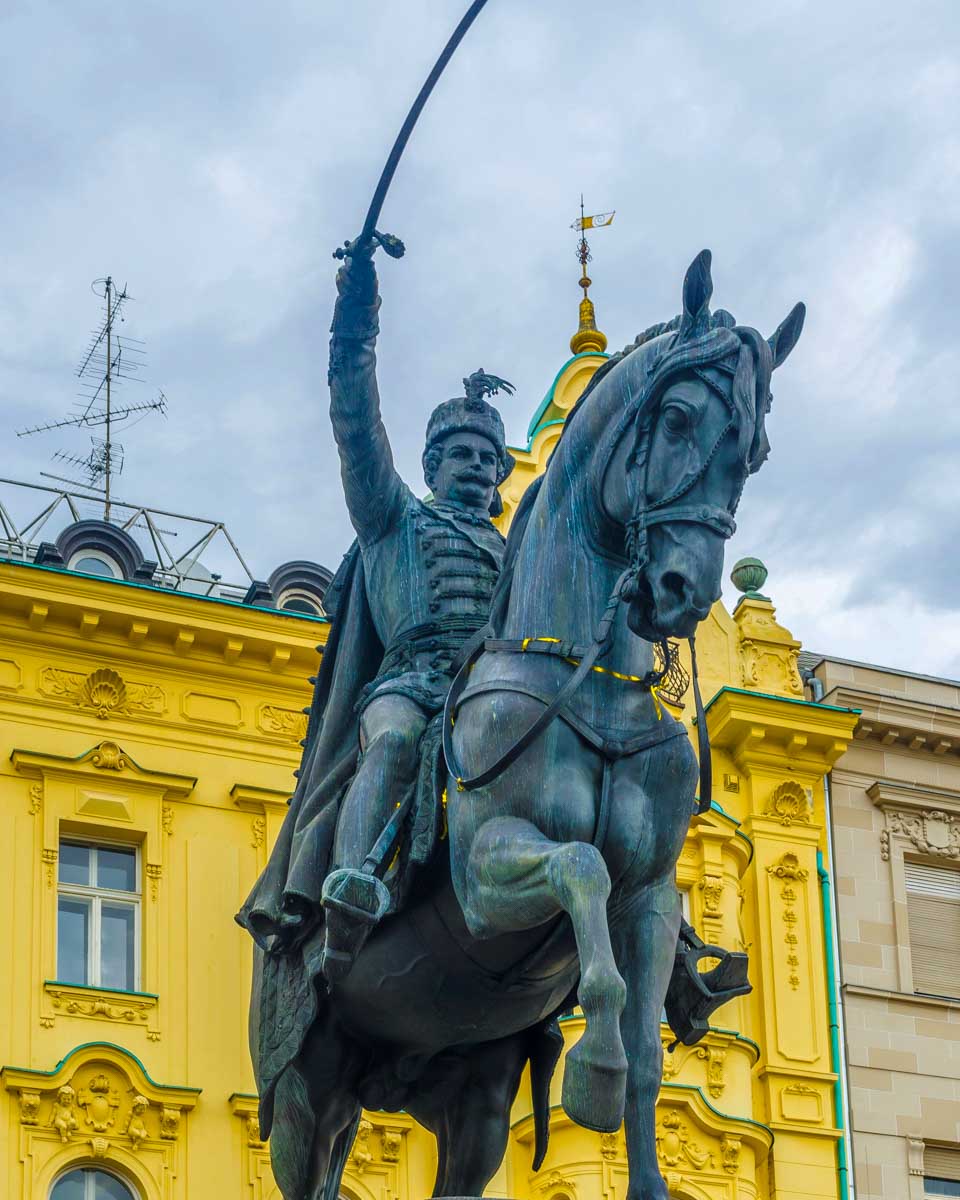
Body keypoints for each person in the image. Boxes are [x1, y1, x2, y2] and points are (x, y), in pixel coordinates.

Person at [312, 238, 514, 982]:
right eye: (462, 456)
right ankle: (353, 889)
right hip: (411, 681)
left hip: (490, 693)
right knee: (395, 742)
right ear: (432, 467)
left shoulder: (511, 549)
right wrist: (356, 314)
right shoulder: (394, 519)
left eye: (490, 461)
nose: (479, 469)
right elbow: (355, 424)